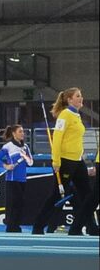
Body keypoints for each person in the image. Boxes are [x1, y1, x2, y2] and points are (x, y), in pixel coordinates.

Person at [43, 87, 96, 236]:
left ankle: (90, 227)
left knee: (87, 195)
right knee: (56, 195)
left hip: (78, 161)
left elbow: (77, 142)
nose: (81, 98)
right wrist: (56, 160)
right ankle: (39, 225)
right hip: (66, 161)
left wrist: (86, 161)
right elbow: (57, 138)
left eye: (81, 95)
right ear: (69, 100)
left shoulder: (76, 116)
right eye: (78, 96)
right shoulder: (65, 115)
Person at [0, 124, 33, 233]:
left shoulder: (25, 147)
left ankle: (16, 226)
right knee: (12, 204)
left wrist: (25, 156)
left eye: (23, 131)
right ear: (14, 133)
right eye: (20, 131)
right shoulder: (8, 146)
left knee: (20, 203)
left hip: (22, 179)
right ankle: (10, 227)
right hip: (12, 179)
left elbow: (31, 163)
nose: (22, 133)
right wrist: (6, 166)